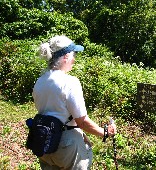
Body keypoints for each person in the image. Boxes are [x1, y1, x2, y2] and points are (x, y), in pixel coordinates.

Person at [32, 35, 117, 170]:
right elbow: (82, 121)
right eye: (73, 55)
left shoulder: (40, 81)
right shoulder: (70, 82)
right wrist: (105, 132)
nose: (74, 59)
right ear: (65, 56)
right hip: (67, 145)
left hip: (43, 142)